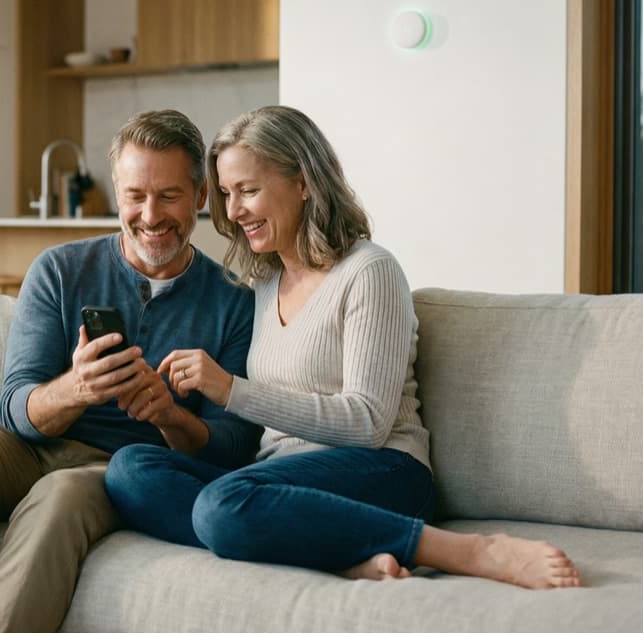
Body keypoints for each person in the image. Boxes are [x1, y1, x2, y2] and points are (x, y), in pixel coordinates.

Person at [104, 105, 582, 590]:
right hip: (282, 480)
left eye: (248, 190)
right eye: (227, 194)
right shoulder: (264, 281)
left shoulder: (369, 271)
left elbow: (368, 423)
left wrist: (232, 390)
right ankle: (335, 554)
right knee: (130, 470)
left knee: (222, 505)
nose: (233, 212)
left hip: (383, 472)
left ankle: (468, 550)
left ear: (303, 182)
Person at [0, 109, 262, 633]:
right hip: (33, 448)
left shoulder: (233, 302)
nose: (150, 215)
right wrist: (77, 388)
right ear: (116, 193)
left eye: (169, 196)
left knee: (60, 496)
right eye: (135, 196)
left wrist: (169, 416)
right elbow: (15, 406)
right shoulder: (60, 270)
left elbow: (234, 446)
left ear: (201, 196)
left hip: (120, 468)